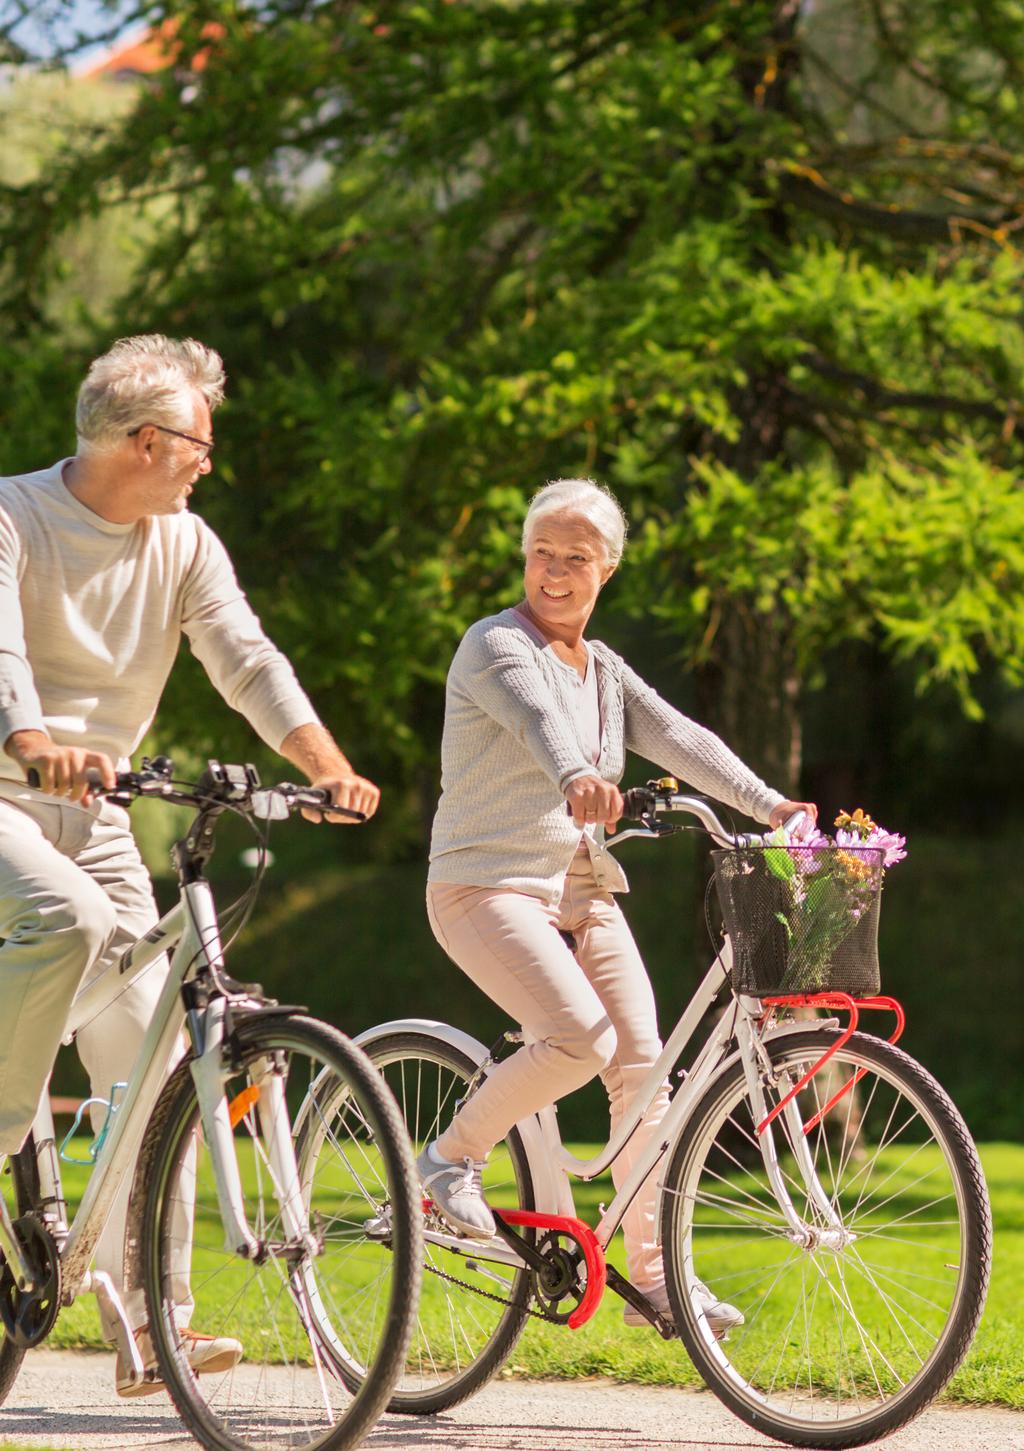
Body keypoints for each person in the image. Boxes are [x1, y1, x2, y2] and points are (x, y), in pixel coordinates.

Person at [0, 334, 380, 1394]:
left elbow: (245, 656)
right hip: (4, 794)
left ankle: (150, 1313)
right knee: (65, 921)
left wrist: (325, 763)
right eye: (201, 443)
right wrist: (31, 741)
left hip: (104, 810)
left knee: (150, 1046)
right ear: (149, 439)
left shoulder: (186, 542)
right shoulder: (13, 514)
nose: (211, 461)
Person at [422, 477, 817, 1332]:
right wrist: (578, 778)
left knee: (643, 1068)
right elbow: (538, 723)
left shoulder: (603, 669)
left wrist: (772, 805)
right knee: (577, 1038)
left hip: (578, 887)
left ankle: (658, 1281)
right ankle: (450, 1158)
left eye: (575, 559)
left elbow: (680, 737)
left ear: (608, 570)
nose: (553, 573)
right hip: (483, 885)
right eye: (540, 554)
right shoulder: (494, 644)